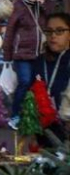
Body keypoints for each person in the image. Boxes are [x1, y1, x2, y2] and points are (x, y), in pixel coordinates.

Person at [3, 0, 53, 129]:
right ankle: (15, 115)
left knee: (37, 83)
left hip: (42, 52)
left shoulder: (47, 4)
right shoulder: (18, 6)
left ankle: (34, 114)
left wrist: (42, 4)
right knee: (24, 81)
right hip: (22, 53)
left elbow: (52, 19)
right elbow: (10, 31)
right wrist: (7, 57)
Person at [33, 12, 70, 143]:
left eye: (60, 31)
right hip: (44, 127)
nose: (53, 35)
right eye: (49, 31)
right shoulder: (39, 61)